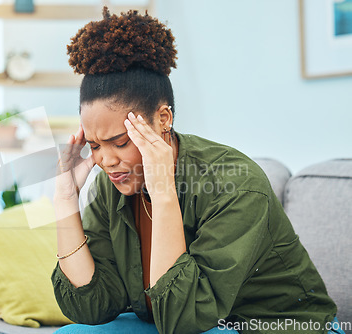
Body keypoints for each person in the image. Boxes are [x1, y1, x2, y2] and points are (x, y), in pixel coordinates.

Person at [50, 7, 342, 334]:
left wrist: (163, 192)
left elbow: (183, 318)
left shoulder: (237, 185)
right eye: (94, 146)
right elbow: (92, 306)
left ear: (163, 119)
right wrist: (64, 200)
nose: (106, 160)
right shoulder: (114, 185)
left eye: (120, 142)